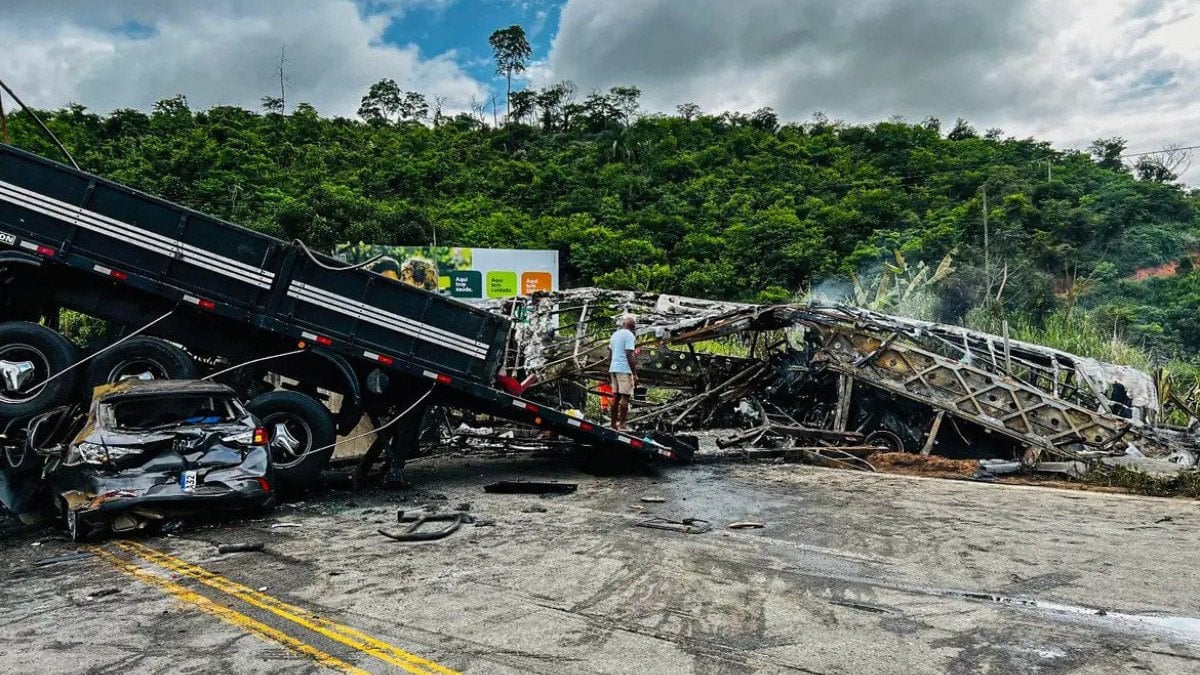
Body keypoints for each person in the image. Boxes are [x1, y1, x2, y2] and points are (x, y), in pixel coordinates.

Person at [608, 314, 637, 430]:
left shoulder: (615, 335)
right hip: (624, 369)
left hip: (613, 368)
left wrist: (611, 366)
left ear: (624, 324)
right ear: (633, 327)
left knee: (615, 397)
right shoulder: (629, 336)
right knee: (625, 397)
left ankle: (613, 425)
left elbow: (609, 353)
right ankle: (623, 425)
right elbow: (629, 354)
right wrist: (634, 373)